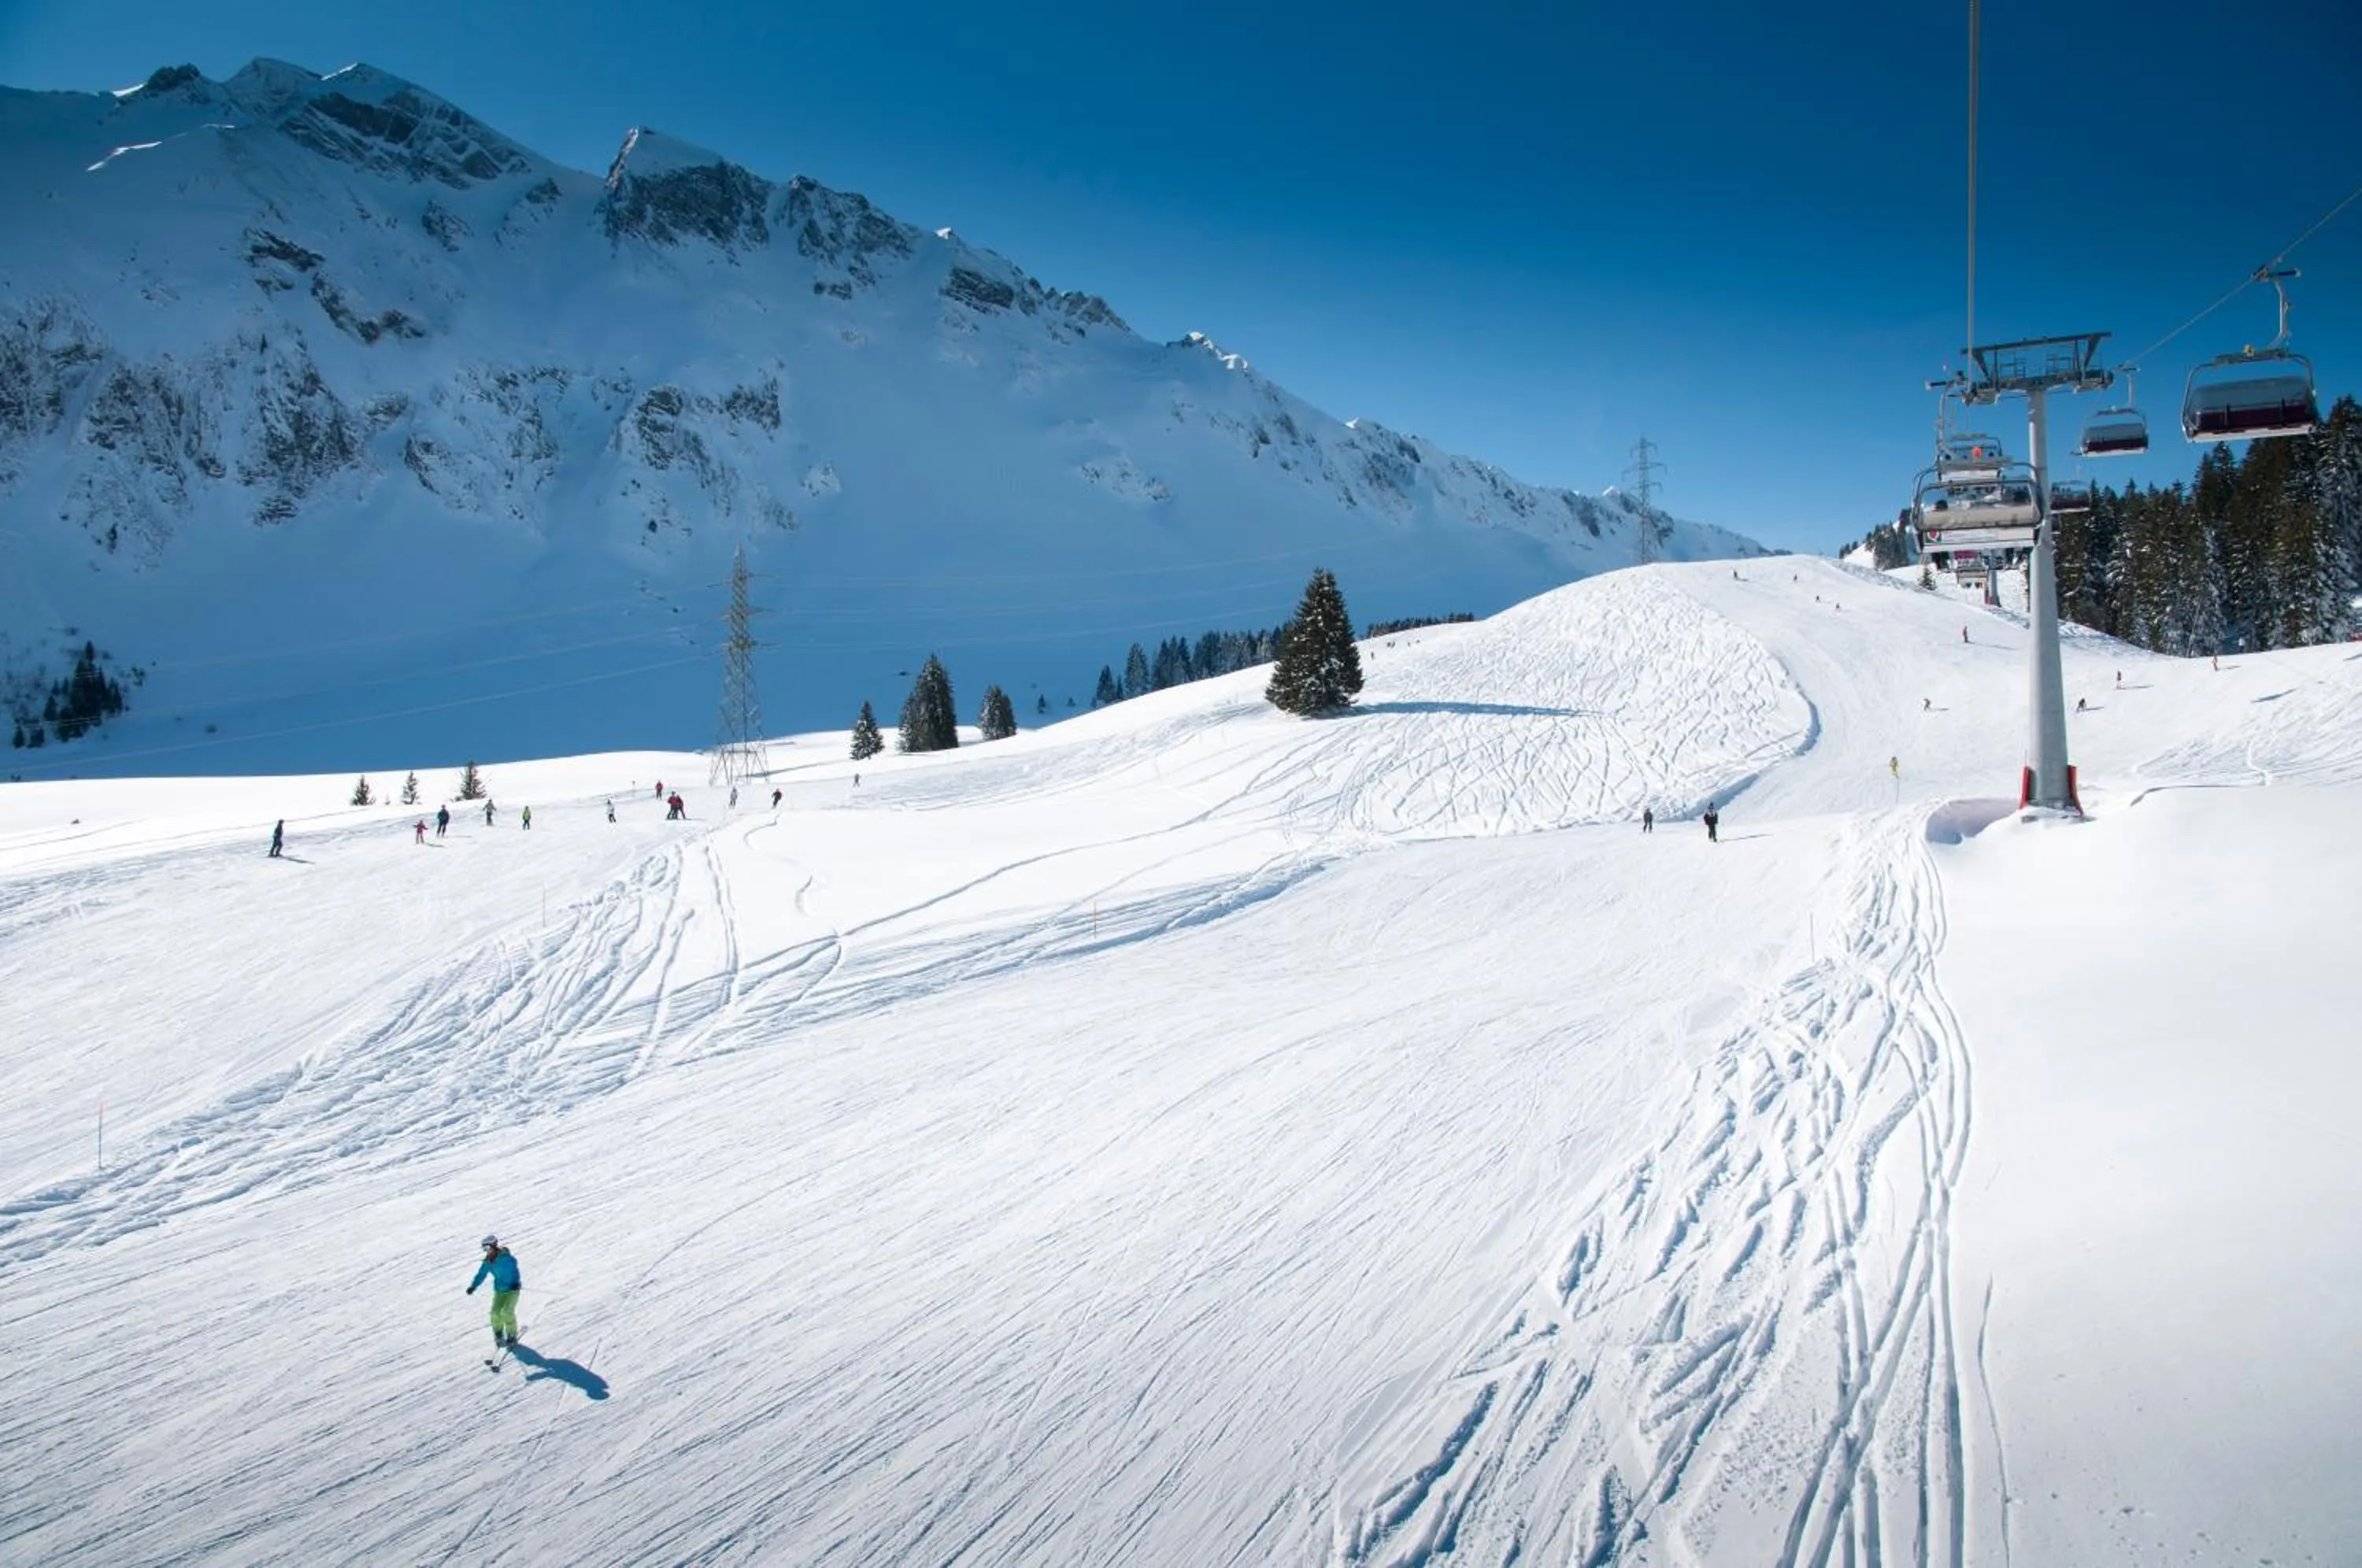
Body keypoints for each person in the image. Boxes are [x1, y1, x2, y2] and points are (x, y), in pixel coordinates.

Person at [466, 1235, 523, 1351]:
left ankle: (512, 1334)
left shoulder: (508, 1259)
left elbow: (515, 1271)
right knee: (495, 1313)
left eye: (487, 1248)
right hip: (500, 1291)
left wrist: (516, 1282)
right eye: (484, 1249)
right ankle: (498, 1334)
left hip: (512, 1290)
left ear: (494, 1246)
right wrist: (473, 1286)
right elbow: (481, 1275)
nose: (486, 1251)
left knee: (507, 1312)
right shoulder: (488, 1262)